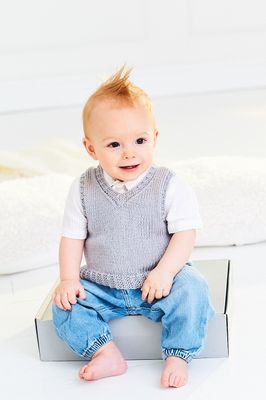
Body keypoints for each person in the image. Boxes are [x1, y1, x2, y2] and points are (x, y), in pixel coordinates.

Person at [52, 65, 214, 388]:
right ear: (90, 148)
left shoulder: (168, 185)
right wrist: (68, 279)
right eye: (114, 145)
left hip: (156, 283)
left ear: (154, 137)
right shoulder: (83, 188)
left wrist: (166, 271)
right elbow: (71, 238)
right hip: (103, 286)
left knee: (194, 290)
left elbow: (185, 234)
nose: (129, 153)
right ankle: (105, 351)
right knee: (64, 306)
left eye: (140, 140)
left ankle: (179, 353)